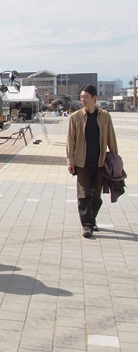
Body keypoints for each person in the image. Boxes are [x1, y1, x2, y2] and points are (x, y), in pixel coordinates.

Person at [66, 84, 118, 238]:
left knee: (96, 196)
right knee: (83, 194)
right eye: (81, 97)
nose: (83, 100)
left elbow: (111, 139)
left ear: (94, 99)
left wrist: (115, 159)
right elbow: (70, 141)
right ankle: (87, 225)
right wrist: (70, 160)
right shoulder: (75, 117)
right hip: (82, 163)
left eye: (86, 97)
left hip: (100, 162)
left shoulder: (105, 117)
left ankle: (91, 218)